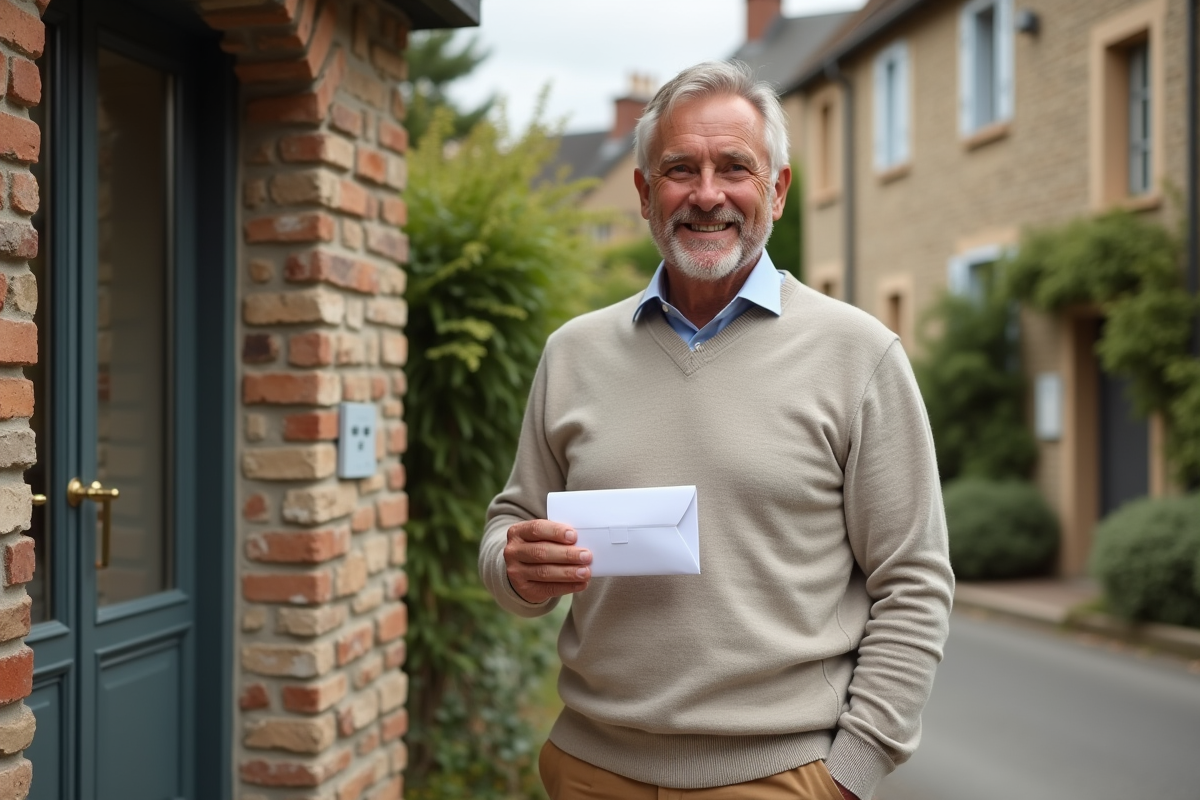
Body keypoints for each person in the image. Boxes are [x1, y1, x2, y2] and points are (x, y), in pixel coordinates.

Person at [479, 60, 953, 800]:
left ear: (778, 190)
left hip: (776, 778)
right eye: (679, 169)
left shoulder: (858, 355)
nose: (707, 195)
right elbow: (512, 523)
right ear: (643, 193)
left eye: (735, 167)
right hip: (589, 771)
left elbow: (915, 582)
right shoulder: (573, 353)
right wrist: (513, 568)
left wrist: (851, 774)